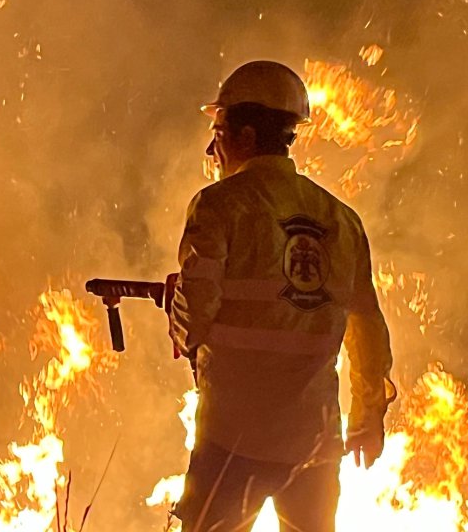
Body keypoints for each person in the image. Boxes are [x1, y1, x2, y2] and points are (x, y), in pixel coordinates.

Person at [168, 60, 396, 532]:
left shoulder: (219, 205)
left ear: (246, 135)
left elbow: (193, 321)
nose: (213, 146)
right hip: (314, 443)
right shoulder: (340, 217)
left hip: (232, 439)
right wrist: (368, 417)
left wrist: (176, 307)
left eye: (220, 129)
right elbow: (367, 326)